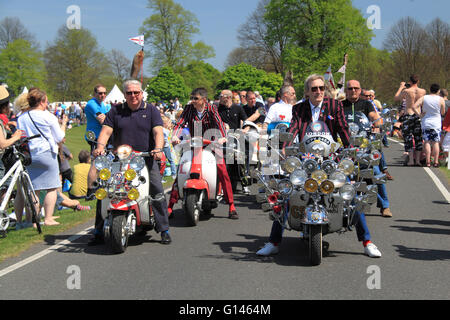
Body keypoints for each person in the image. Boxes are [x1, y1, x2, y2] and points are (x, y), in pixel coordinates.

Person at [256, 74, 382, 258]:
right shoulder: (299, 108)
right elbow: (294, 128)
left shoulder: (334, 105)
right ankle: (274, 242)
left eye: (321, 88)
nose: (318, 92)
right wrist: (285, 148)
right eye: (314, 89)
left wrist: (351, 151)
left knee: (350, 193)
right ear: (307, 91)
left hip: (330, 157)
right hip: (305, 157)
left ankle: (367, 242)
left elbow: (343, 128)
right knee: (288, 193)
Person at [92, 79, 171, 245]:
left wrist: (157, 149)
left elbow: (158, 132)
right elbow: (106, 131)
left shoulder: (151, 110)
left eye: (136, 92)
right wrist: (100, 147)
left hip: (146, 158)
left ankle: (164, 229)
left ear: (141, 93)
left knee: (156, 190)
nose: (133, 96)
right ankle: (98, 230)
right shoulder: (116, 110)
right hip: (119, 159)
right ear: (125, 95)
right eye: (129, 93)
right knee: (105, 189)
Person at [168, 88, 238, 219]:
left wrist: (222, 137)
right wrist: (175, 136)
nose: (192, 101)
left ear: (204, 100)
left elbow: (219, 123)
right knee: (182, 170)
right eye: (192, 98)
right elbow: (180, 123)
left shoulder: (212, 108)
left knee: (222, 170)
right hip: (193, 144)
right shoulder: (189, 109)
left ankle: (231, 205)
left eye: (196, 98)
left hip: (211, 143)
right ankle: (170, 206)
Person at [17, 87, 68, 226]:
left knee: (34, 188)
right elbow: (59, 137)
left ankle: (34, 220)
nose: (47, 104)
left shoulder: (22, 117)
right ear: (41, 101)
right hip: (46, 153)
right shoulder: (48, 116)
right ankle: (48, 218)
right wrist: (64, 124)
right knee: (51, 187)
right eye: (46, 101)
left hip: (29, 154)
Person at [342, 80, 393, 217]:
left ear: (360, 90)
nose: (353, 91)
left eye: (356, 88)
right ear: (346, 90)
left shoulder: (366, 104)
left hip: (363, 146)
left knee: (375, 172)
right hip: (344, 147)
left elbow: (376, 118)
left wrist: (377, 125)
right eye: (350, 88)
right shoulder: (340, 105)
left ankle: (385, 206)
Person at [217, 89, 249, 194]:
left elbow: (246, 121)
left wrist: (245, 129)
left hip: (237, 139)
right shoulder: (217, 109)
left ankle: (245, 185)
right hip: (223, 139)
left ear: (228, 97)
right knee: (223, 163)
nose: (220, 97)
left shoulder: (238, 108)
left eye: (221, 96)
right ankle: (221, 187)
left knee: (240, 162)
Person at [84, 84, 111, 200]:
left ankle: (100, 187)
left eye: (104, 93)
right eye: (100, 93)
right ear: (95, 94)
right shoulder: (92, 104)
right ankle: (90, 191)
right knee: (96, 163)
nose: (103, 95)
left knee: (103, 162)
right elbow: (103, 120)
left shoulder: (102, 104)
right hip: (95, 137)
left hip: (102, 136)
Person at [394, 75, 426, 166]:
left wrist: (401, 87)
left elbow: (396, 98)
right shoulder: (423, 91)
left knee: (408, 138)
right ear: (418, 81)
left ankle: (411, 160)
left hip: (408, 115)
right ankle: (418, 161)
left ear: (410, 82)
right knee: (418, 138)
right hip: (418, 115)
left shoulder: (406, 91)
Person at [413, 84, 446, 167]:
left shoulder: (424, 98)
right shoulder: (441, 99)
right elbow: (443, 112)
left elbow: (414, 106)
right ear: (438, 91)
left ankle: (428, 161)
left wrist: (419, 114)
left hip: (426, 122)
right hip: (436, 123)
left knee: (427, 142)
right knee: (435, 142)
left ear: (430, 89)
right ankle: (435, 161)